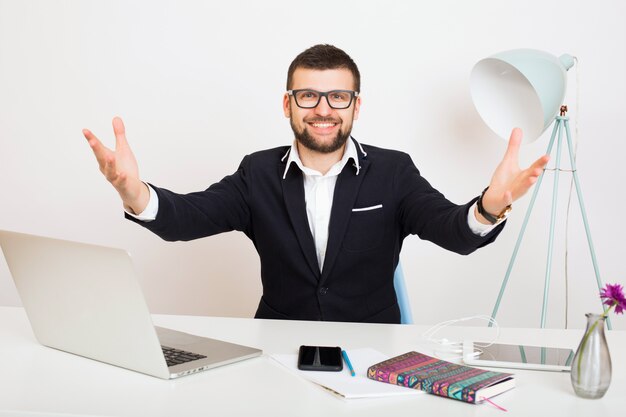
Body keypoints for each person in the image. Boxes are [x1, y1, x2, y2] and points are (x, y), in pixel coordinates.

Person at [83, 44, 549, 324]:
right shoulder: (258, 173)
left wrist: (488, 207)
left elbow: (451, 229)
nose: (323, 109)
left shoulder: (393, 171)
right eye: (308, 95)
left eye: (337, 96)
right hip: (278, 345)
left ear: (355, 107)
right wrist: (133, 191)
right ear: (287, 105)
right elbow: (187, 219)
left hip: (371, 351)